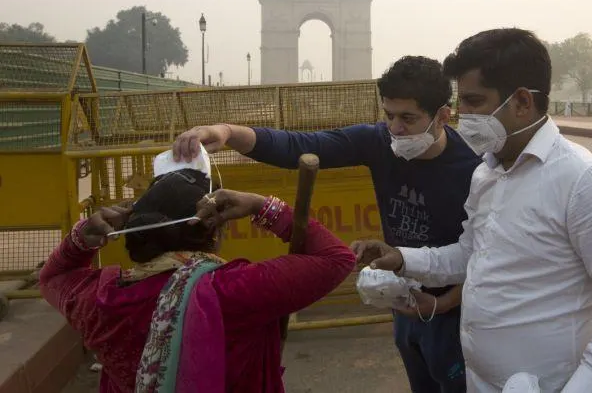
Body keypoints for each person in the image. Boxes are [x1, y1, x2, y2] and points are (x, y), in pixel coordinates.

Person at [356, 28, 592, 393]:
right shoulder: (487, 173)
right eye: (461, 102)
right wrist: (403, 259)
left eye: (474, 101)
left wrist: (583, 385)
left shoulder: (583, 180)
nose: (462, 115)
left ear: (522, 102)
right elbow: (472, 254)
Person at [172, 56, 482, 393]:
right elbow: (299, 146)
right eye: (389, 115)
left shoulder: (474, 168)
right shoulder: (378, 142)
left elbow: (484, 252)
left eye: (408, 118)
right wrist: (228, 132)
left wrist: (443, 304)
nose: (395, 128)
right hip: (404, 298)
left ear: (443, 116)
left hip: (458, 309)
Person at [39, 168, 355, 393]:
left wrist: (81, 239)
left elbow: (53, 276)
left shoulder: (99, 299)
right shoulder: (234, 290)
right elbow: (337, 258)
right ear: (215, 231)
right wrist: (262, 206)